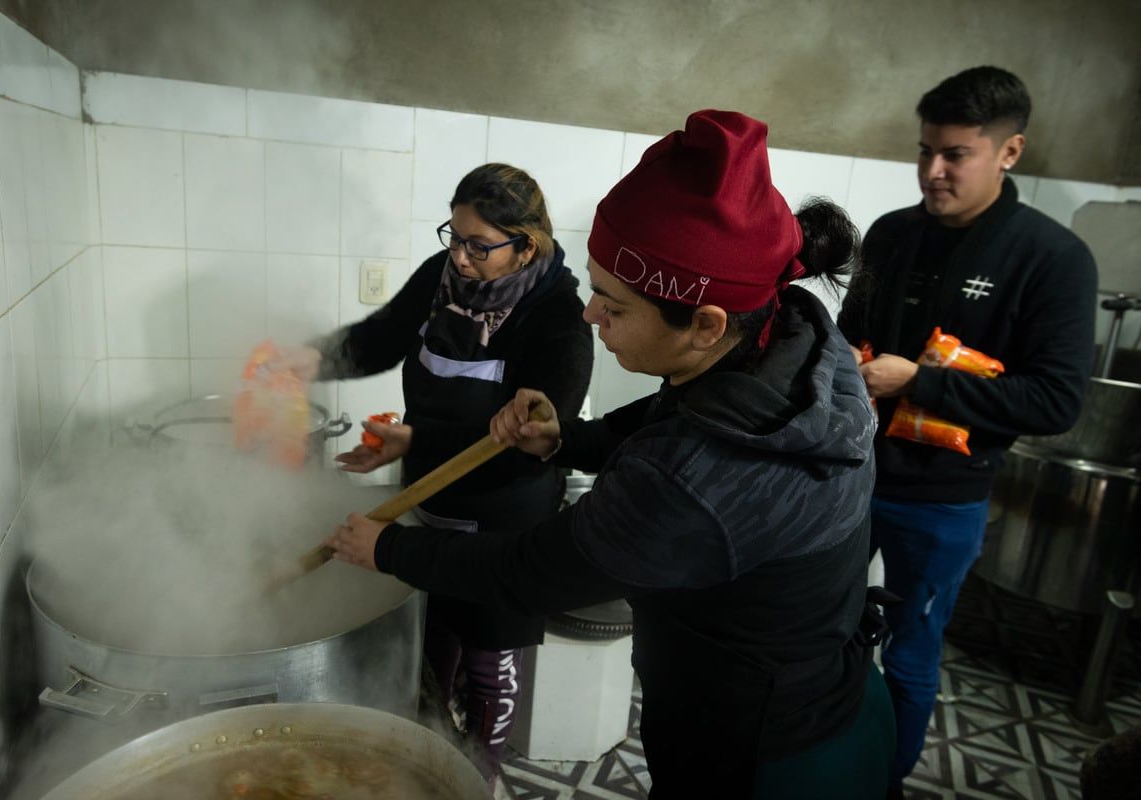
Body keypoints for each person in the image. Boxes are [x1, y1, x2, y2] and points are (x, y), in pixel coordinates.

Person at [330, 110, 897, 798]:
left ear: (706, 324)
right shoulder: (795, 336)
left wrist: (386, 548)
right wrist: (565, 439)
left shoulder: (694, 483)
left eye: (613, 304)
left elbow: (532, 571)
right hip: (840, 700)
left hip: (769, 763)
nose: (590, 314)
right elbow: (671, 417)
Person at [277, 163, 594, 783]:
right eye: (454, 236)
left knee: (487, 664)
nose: (461, 257)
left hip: (502, 521)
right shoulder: (442, 277)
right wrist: (312, 358)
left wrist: (417, 439)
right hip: (424, 502)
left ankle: (476, 782)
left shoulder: (559, 321)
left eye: (479, 245)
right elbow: (380, 337)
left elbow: (526, 443)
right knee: (432, 648)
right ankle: (426, 774)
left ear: (525, 246)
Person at [836, 66, 1098, 796]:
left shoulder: (1052, 259)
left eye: (955, 155)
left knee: (910, 652)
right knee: (823, 628)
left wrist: (918, 383)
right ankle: (824, 763)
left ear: (1009, 152)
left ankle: (882, 783)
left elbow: (1055, 401)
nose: (933, 171)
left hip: (941, 500)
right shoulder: (892, 234)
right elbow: (849, 332)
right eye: (925, 151)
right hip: (849, 477)